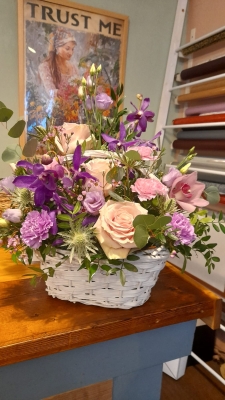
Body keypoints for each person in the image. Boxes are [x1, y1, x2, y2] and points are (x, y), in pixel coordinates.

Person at [38, 28, 79, 99]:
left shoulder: (73, 67)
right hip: (55, 108)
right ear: (57, 47)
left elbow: (79, 89)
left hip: (74, 108)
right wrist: (66, 93)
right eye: (67, 48)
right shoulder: (45, 66)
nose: (71, 53)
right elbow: (50, 91)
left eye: (72, 49)